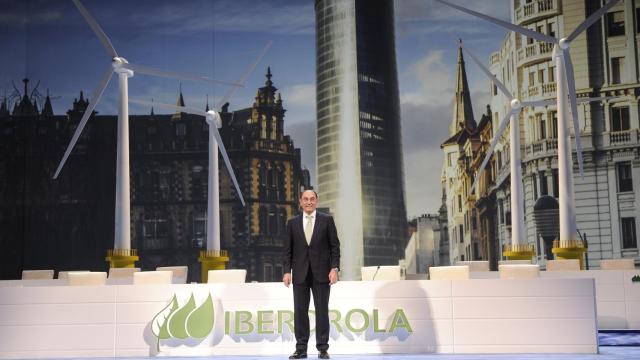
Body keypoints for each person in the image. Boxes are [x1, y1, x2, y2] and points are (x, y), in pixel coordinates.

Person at [283, 190, 340, 359]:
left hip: (322, 273)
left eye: (312, 199)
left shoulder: (327, 220)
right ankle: (301, 348)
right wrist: (286, 271)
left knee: (322, 310)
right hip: (299, 273)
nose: (309, 202)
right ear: (300, 201)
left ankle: (322, 348)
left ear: (316, 201)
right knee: (300, 312)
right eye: (305, 199)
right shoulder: (292, 223)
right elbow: (287, 250)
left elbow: (335, 247)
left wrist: (334, 268)